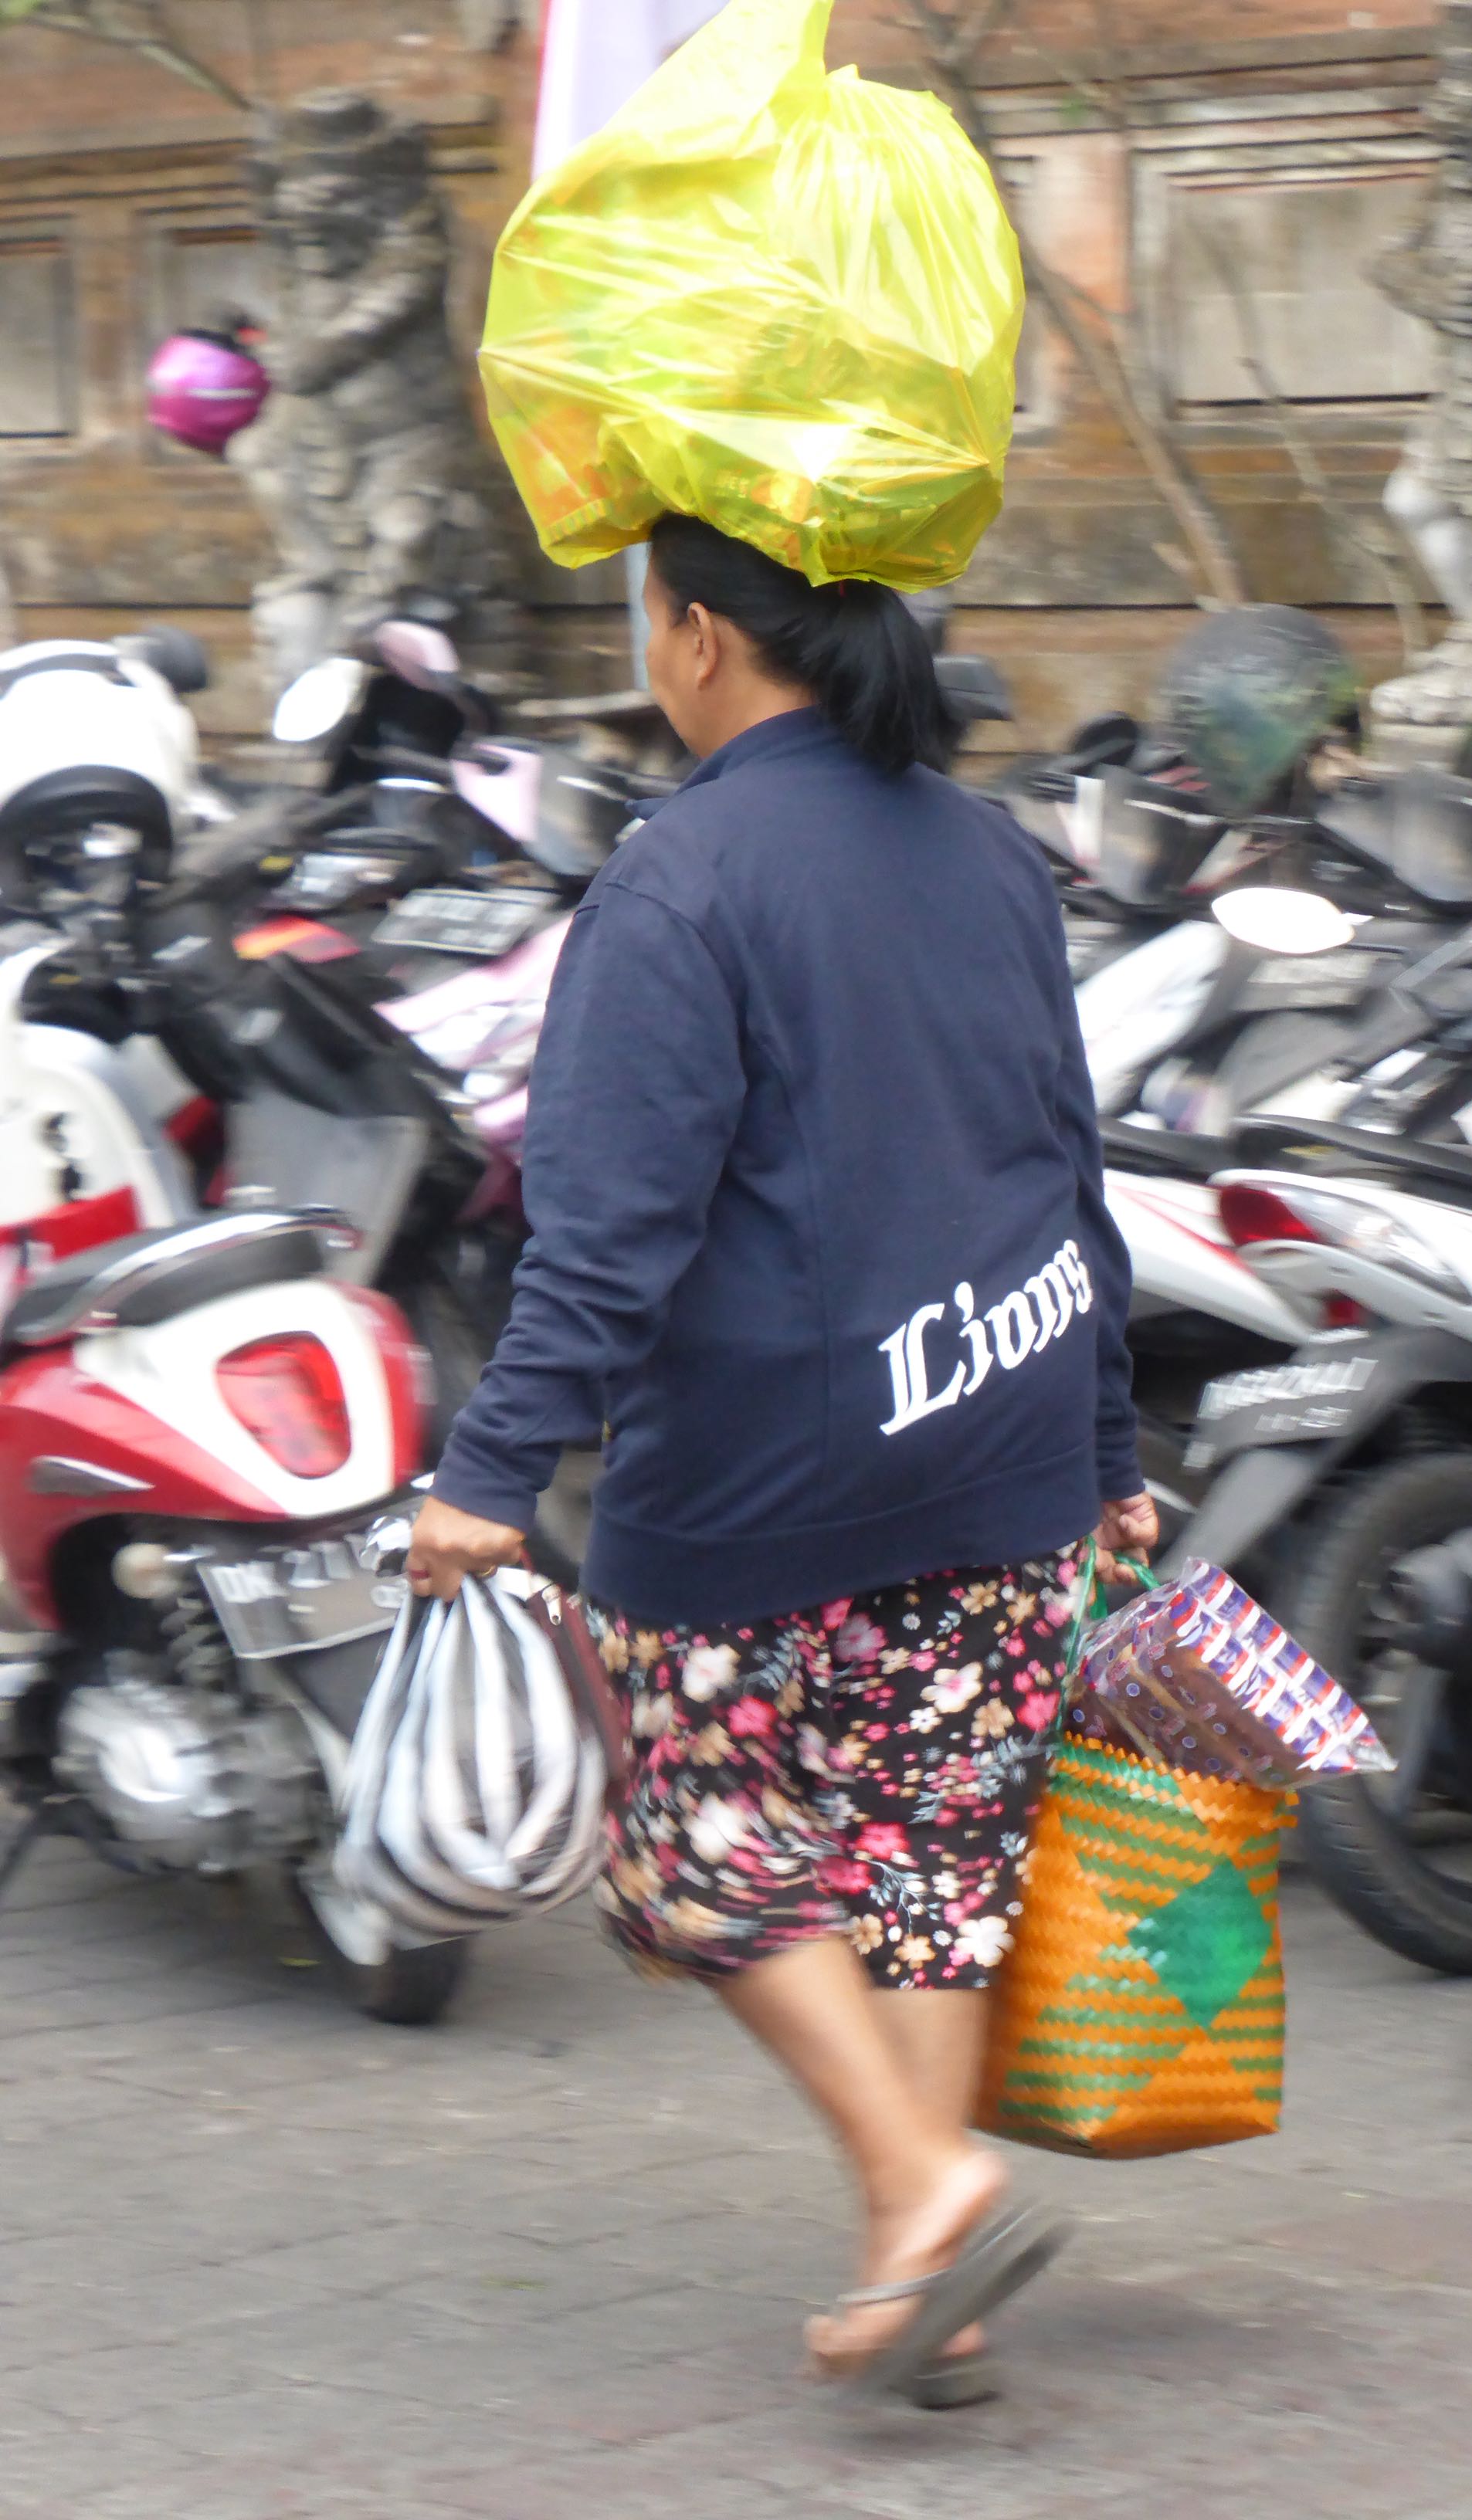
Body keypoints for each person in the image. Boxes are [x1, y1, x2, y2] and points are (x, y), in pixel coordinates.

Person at [403, 512, 1158, 2407]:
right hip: (1001, 1430)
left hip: (767, 1471)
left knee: (696, 1852)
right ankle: (935, 2292)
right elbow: (1065, 1167)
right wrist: (1103, 1443)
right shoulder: (988, 850)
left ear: (697, 638)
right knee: (930, 1865)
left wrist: (490, 1471)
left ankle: (923, 2187)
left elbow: (605, 1233)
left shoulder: (678, 883)